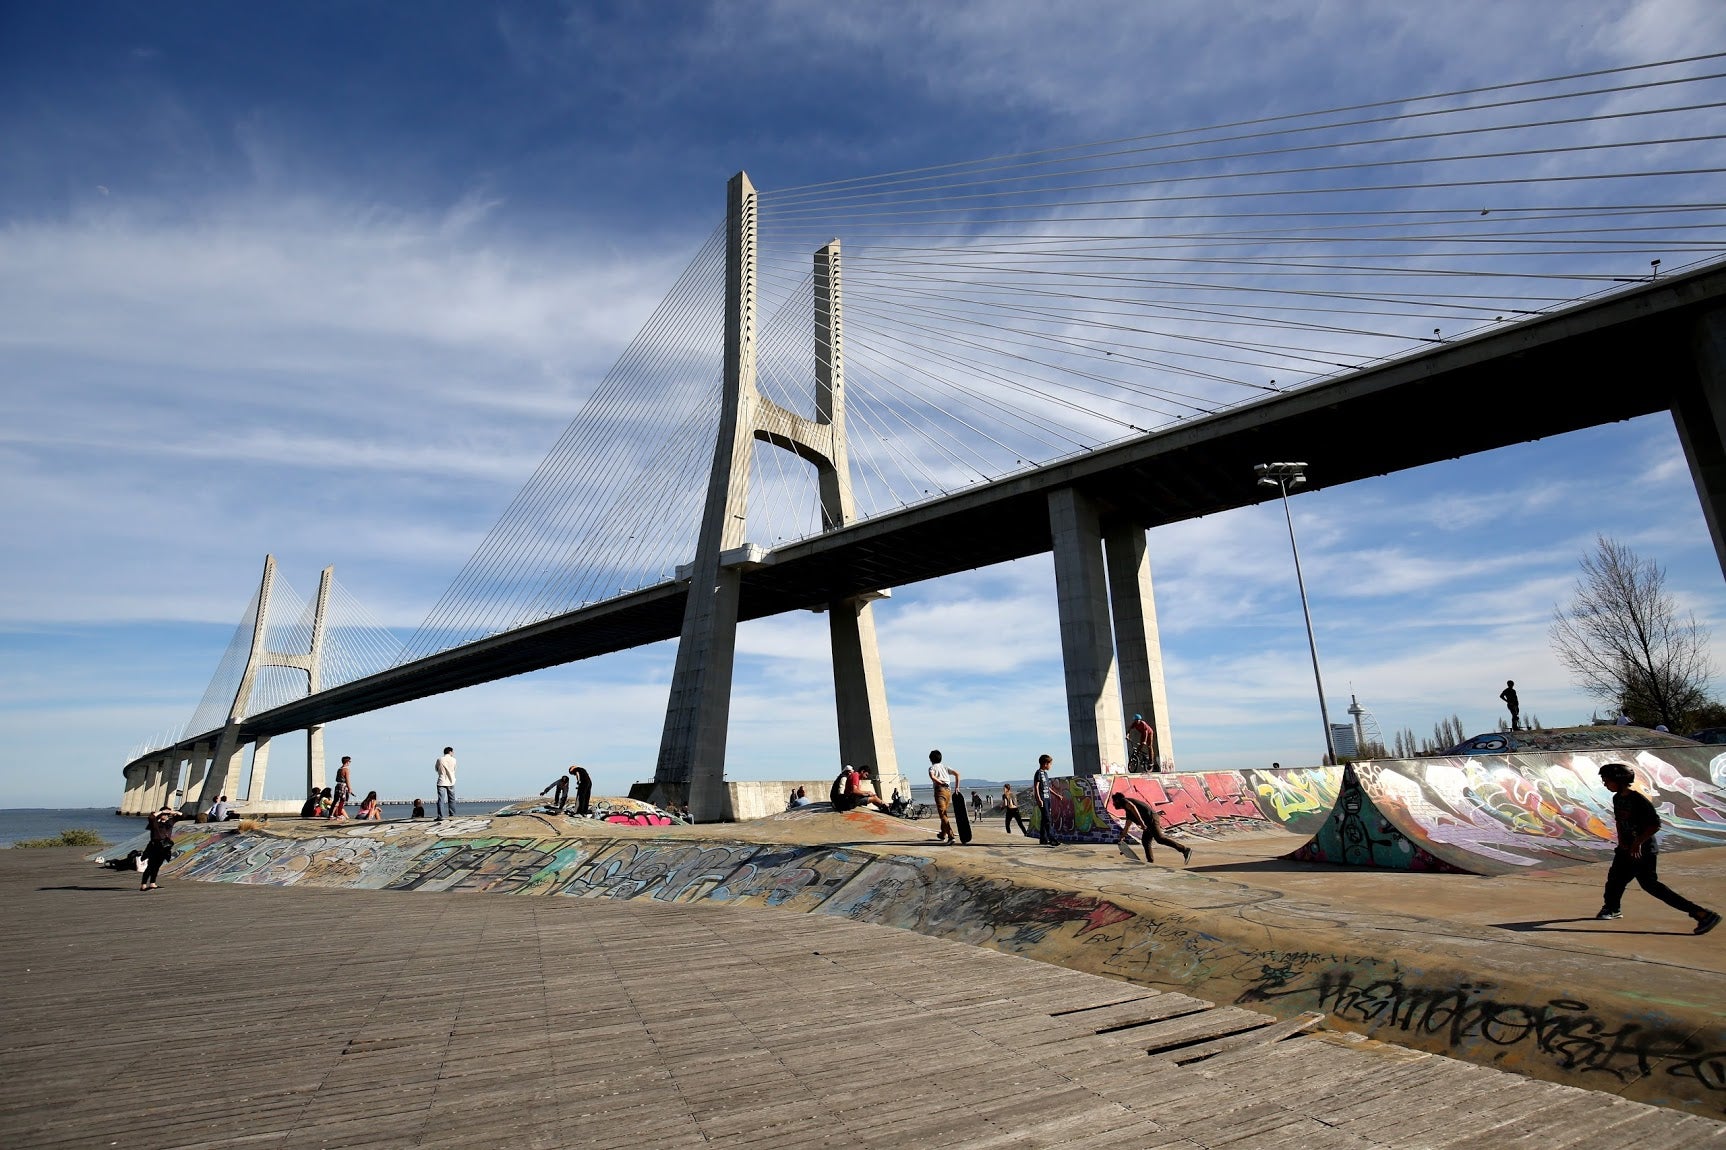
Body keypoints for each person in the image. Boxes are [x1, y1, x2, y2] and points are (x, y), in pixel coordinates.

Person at [1595, 762, 1719, 934]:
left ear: (1619, 780)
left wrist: (1637, 843)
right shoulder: (1618, 798)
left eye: (1607, 780)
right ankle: (1612, 909)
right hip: (1626, 849)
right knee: (1615, 880)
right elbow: (1619, 821)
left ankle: (1702, 914)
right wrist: (1622, 842)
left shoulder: (1637, 800)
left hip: (1643, 851)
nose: (1605, 784)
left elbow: (1654, 825)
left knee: (1651, 886)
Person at [1109, 791, 1192, 866]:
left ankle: (1184, 849)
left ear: (1117, 801)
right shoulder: (1128, 812)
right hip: (1148, 822)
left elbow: (1133, 808)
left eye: (1114, 802)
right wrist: (1122, 836)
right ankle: (1150, 862)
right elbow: (1127, 826)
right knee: (1146, 841)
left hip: (1151, 818)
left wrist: (1141, 823)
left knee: (1159, 839)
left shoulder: (1125, 801)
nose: (1114, 804)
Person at [140, 806, 180, 891]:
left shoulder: (169, 823)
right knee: (150, 866)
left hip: (165, 847)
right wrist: (161, 812)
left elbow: (182, 815)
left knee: (157, 866)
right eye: (164, 814)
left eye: (167, 814)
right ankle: (143, 885)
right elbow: (151, 817)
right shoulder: (155, 823)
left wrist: (171, 812)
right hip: (155, 846)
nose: (165, 816)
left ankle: (152, 883)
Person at [928, 750, 958, 844]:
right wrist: (957, 787)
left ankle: (951, 836)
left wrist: (940, 782)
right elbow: (957, 774)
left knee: (942, 814)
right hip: (948, 791)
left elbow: (932, 777)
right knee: (944, 813)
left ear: (931, 759)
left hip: (939, 790)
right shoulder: (945, 767)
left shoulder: (932, 768)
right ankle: (942, 834)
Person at [1033, 755, 1059, 847]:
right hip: (1042, 799)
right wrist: (1039, 799)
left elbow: (1047, 787)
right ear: (1045, 764)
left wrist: (1056, 795)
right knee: (1048, 819)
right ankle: (1052, 839)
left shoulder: (1045, 774)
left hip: (1048, 799)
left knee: (1045, 819)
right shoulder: (1038, 773)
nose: (1051, 766)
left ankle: (1043, 839)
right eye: (1050, 764)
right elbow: (1036, 787)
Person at [435, 746, 457, 820]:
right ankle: (452, 814)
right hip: (451, 781)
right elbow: (454, 769)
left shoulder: (439, 759)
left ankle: (440, 815)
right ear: (450, 752)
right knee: (451, 799)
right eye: (452, 752)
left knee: (441, 799)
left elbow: (436, 768)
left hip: (441, 781)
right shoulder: (454, 760)